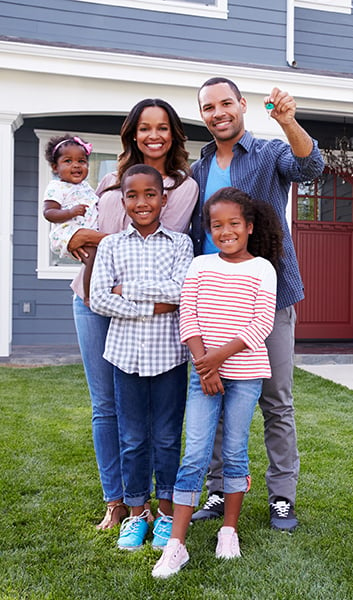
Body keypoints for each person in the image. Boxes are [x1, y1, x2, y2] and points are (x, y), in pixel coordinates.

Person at [189, 78, 325, 530]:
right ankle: (216, 488)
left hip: (268, 295)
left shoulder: (268, 152)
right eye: (208, 107)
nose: (218, 112)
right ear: (203, 114)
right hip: (212, 301)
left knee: (276, 402)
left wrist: (288, 121)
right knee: (215, 394)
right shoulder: (199, 168)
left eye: (226, 102)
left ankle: (281, 496)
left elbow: (311, 166)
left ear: (242, 105)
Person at [67, 98, 199, 531]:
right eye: (144, 128)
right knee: (106, 407)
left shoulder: (183, 186)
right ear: (133, 133)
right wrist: (80, 236)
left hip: (150, 317)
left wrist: (97, 243)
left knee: (159, 425)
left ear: (173, 134)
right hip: (90, 298)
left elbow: (160, 234)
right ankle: (119, 502)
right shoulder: (108, 180)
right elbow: (101, 237)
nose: (153, 135)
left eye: (163, 127)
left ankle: (153, 507)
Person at [152, 187, 281, 578]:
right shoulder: (200, 266)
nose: (225, 231)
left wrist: (216, 361)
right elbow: (187, 317)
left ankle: (229, 530)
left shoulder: (262, 269)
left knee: (236, 451)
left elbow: (262, 324)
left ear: (249, 226)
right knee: (195, 453)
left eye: (234, 224)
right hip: (203, 372)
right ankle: (177, 544)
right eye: (216, 225)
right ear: (208, 229)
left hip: (245, 374)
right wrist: (204, 365)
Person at [90, 164, 194, 551]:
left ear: (164, 199)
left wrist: (127, 290)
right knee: (132, 438)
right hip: (125, 357)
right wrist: (152, 306)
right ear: (122, 201)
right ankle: (137, 514)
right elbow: (100, 297)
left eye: (150, 194)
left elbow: (180, 291)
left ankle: (166, 514)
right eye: (132, 195)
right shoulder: (112, 245)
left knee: (167, 437)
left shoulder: (180, 244)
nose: (142, 202)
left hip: (169, 357)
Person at [42, 134, 98, 305]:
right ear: (54, 167)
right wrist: (70, 212)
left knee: (97, 258)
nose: (76, 165)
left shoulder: (86, 187)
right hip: (66, 232)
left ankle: (98, 290)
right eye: (68, 161)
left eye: (81, 161)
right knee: (93, 257)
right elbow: (49, 212)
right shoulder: (56, 187)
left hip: (83, 230)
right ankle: (88, 295)